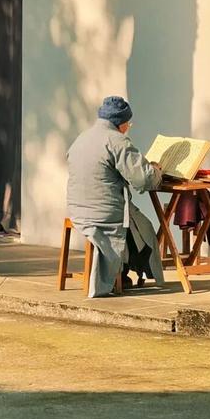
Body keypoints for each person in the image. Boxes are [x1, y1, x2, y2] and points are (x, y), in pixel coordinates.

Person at [66, 95, 165, 298]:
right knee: (143, 226)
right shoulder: (117, 141)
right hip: (104, 214)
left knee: (134, 220)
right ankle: (125, 273)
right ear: (122, 123)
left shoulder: (82, 137)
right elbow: (143, 180)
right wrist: (156, 170)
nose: (128, 127)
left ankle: (123, 273)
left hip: (77, 211)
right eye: (128, 123)